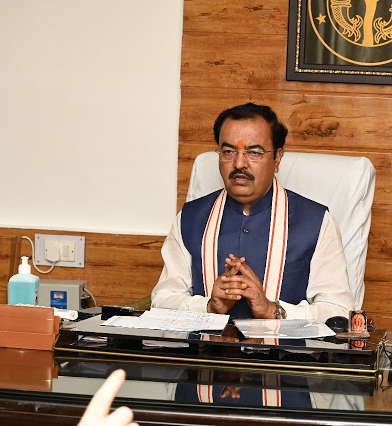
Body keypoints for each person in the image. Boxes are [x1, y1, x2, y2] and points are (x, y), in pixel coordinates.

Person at [151, 103, 353, 322]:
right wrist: (208, 307)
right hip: (207, 345)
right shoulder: (190, 219)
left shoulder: (316, 222)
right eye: (228, 151)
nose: (239, 163)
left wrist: (271, 311)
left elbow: (339, 311)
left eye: (254, 152)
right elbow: (162, 300)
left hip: (281, 345)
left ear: (277, 158)